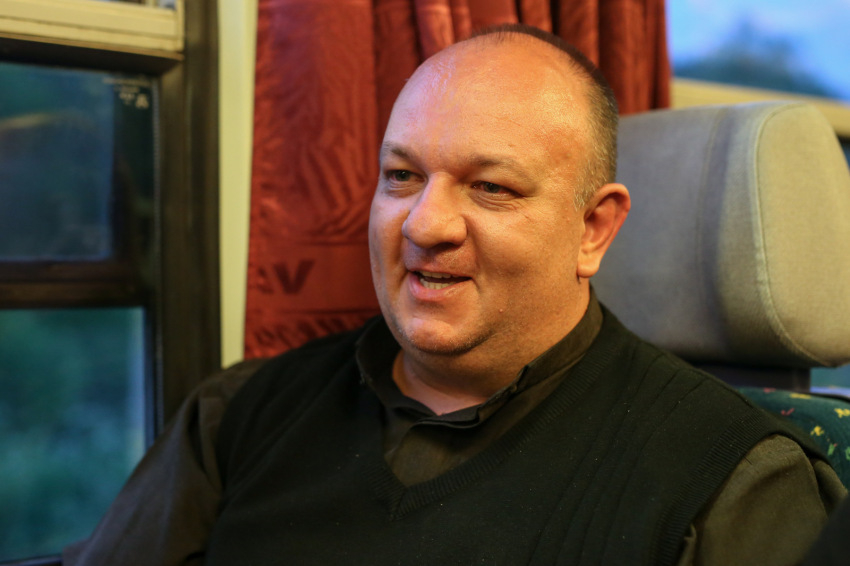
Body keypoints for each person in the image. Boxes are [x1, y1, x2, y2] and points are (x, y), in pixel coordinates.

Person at [65, 24, 845, 566]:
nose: (424, 224)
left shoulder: (734, 483)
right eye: (402, 176)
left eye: (490, 186)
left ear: (592, 230)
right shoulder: (238, 415)